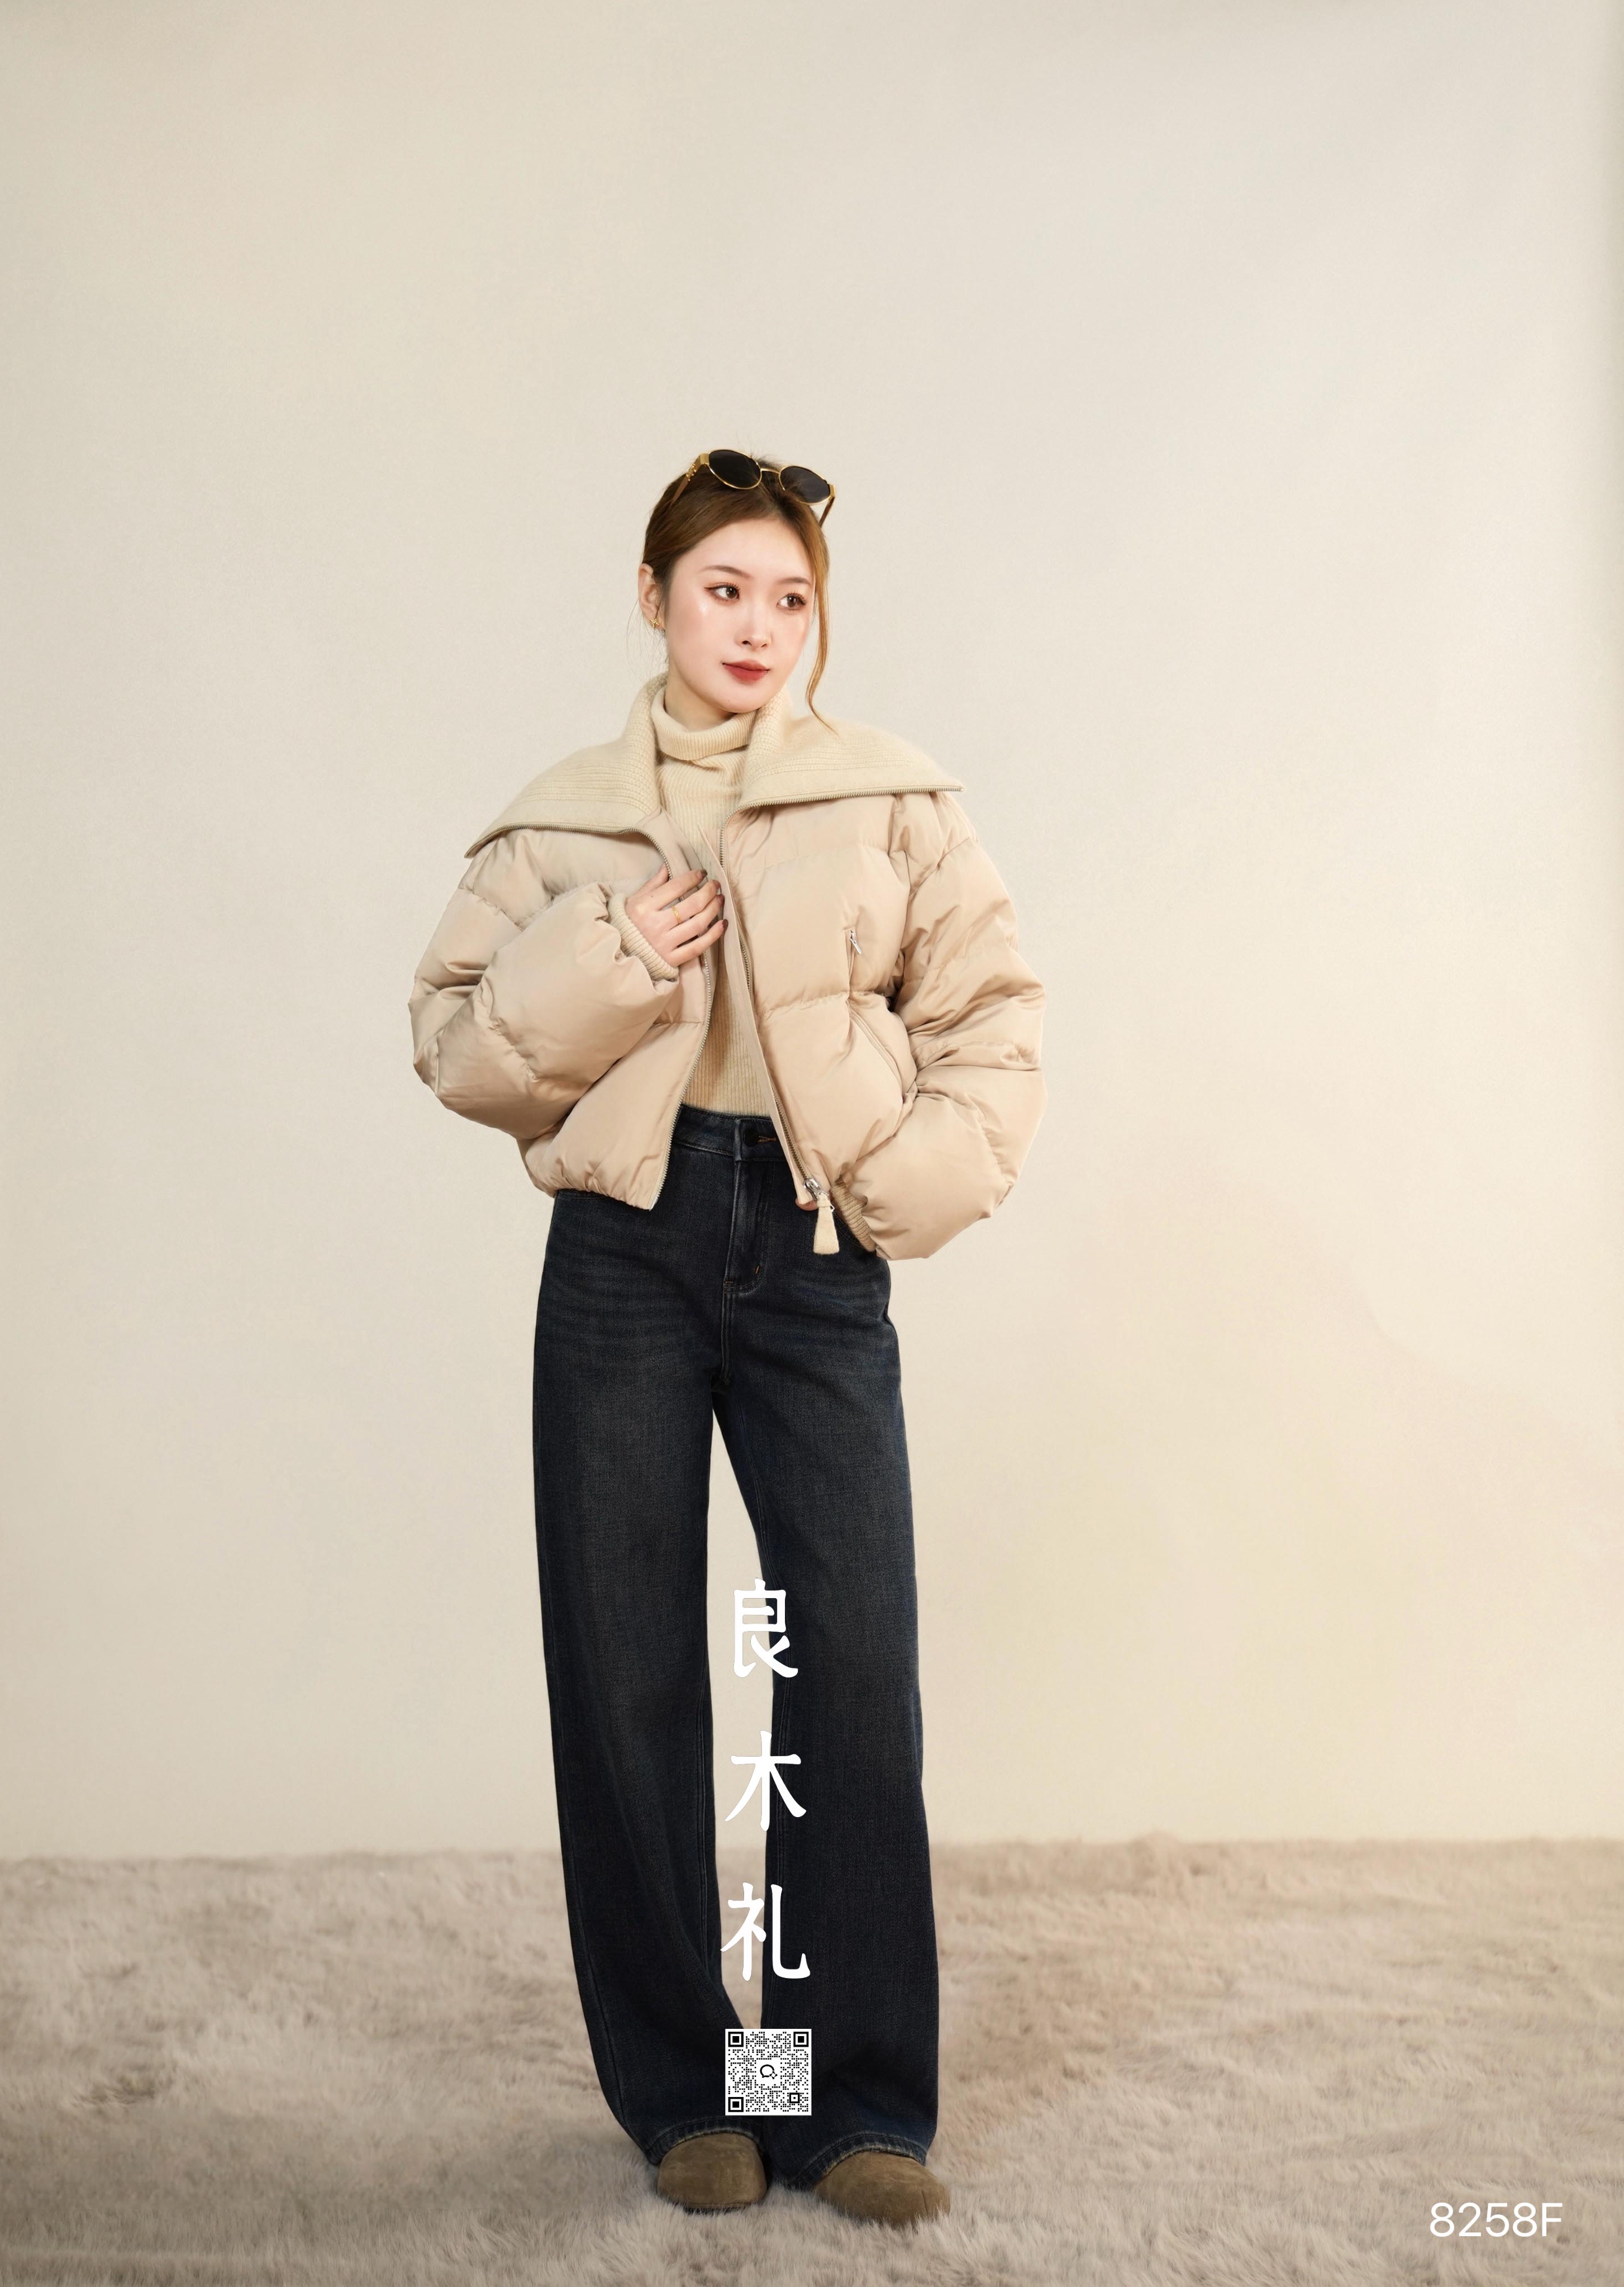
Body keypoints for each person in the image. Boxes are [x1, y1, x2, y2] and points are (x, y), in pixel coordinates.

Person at [408, 448, 1047, 2231]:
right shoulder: (562, 825)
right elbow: (455, 1040)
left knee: (848, 1663)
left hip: (815, 1254)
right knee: (626, 1668)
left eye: (790, 598)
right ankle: (694, 2094)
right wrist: (609, 951)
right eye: (723, 591)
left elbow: (993, 1013)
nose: (758, 627)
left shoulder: (891, 799)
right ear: (654, 598)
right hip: (626, 1248)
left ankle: (846, 2105)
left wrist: (892, 1180)